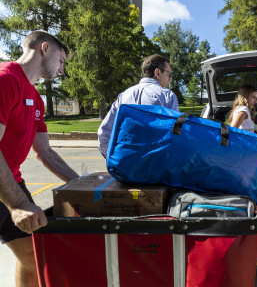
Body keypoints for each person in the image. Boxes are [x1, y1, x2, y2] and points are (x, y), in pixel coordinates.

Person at [0, 31, 79, 287]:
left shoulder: (35, 100)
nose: (62, 69)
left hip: (10, 181)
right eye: (61, 61)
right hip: (9, 190)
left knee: (34, 257)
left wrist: (82, 184)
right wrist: (18, 203)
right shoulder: (5, 80)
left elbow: (44, 153)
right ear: (44, 48)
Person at [98, 54, 179, 158]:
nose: (170, 79)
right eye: (169, 74)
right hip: (157, 165)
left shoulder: (123, 96)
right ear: (157, 72)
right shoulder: (168, 96)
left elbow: (104, 133)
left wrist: (111, 158)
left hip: (126, 165)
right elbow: (177, 132)